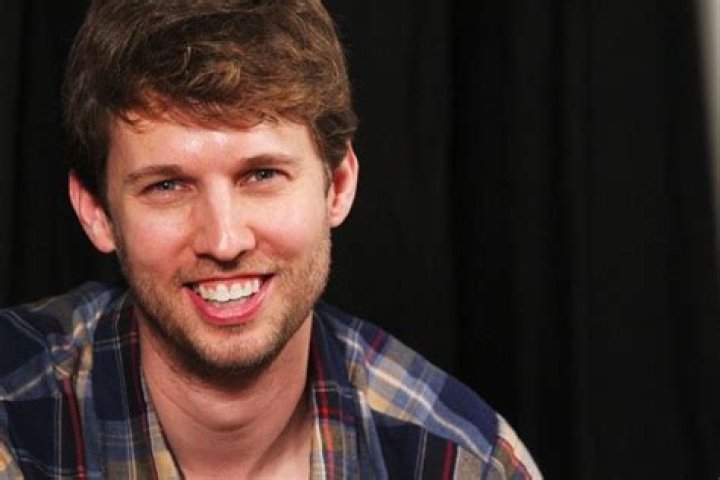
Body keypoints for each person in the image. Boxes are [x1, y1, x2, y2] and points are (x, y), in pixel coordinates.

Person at [0, 0, 541, 478]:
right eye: (167, 186)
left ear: (338, 185)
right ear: (96, 212)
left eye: (261, 175)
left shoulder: (462, 464)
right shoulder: (14, 421)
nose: (224, 240)